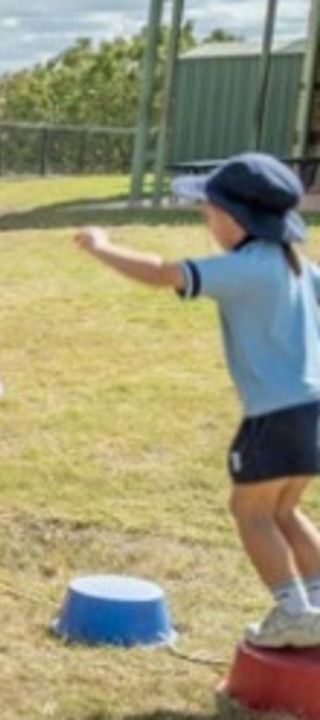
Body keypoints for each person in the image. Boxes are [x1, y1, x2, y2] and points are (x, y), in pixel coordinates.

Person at [74, 152, 320, 649]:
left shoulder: (248, 267)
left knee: (249, 510)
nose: (206, 222)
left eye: (207, 212)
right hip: (313, 409)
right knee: (284, 509)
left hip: (275, 416)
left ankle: (295, 612)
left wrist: (102, 246)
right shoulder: (297, 265)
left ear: (235, 217)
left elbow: (164, 273)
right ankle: (315, 605)